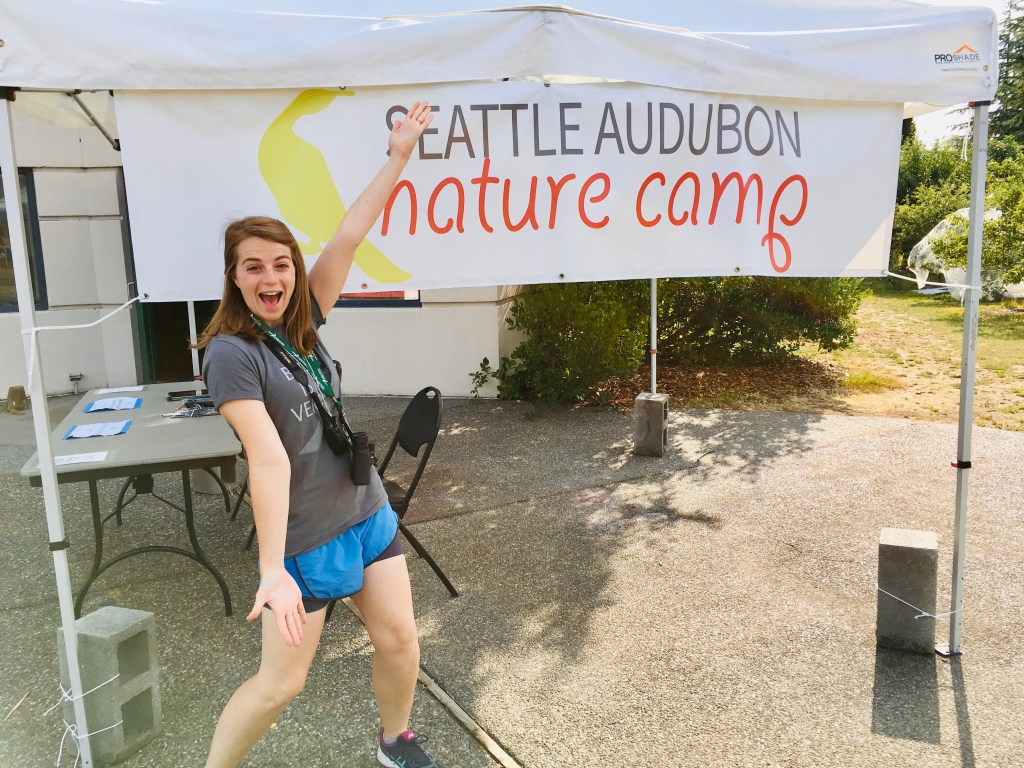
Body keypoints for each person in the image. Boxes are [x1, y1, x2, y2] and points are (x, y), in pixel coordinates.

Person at [197, 101, 442, 768]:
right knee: (281, 685)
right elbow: (268, 461)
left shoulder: (302, 318)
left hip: (365, 512)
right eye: (254, 266)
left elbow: (349, 236)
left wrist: (399, 155)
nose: (271, 278)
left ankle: (395, 741)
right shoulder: (230, 353)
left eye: (281, 264)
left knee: (400, 640)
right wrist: (271, 568)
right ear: (234, 276)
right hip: (305, 540)